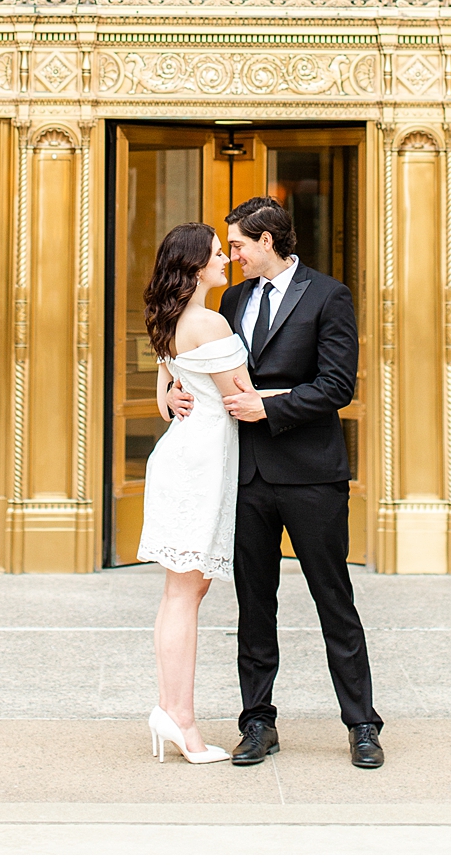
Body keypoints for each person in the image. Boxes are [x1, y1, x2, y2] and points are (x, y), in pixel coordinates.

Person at [169, 195, 384, 769]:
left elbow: (338, 385)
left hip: (312, 473)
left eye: (238, 244)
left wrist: (275, 408)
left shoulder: (329, 295)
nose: (232, 254)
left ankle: (362, 724)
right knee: (253, 604)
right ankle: (257, 722)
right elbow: (191, 355)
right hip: (245, 473)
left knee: (333, 598)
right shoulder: (232, 300)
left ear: (268, 241)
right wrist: (169, 388)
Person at [136, 221, 284, 765]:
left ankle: (172, 710)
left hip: (186, 457)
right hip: (199, 465)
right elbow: (240, 397)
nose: (226, 260)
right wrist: (309, 391)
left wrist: (176, 395)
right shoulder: (209, 321)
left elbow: (165, 397)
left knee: (185, 592)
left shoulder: (172, 320)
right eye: (219, 254)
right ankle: (180, 719)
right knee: (183, 593)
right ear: (197, 267)